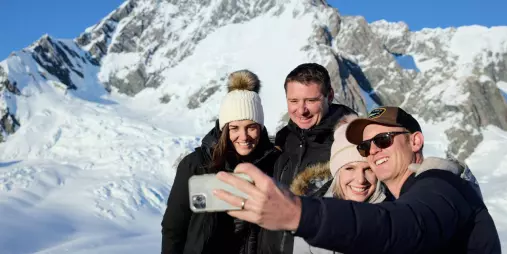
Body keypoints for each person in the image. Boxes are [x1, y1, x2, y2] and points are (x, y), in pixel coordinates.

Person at [214, 106, 501, 254]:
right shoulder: (415, 192)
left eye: (384, 139)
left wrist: (297, 213)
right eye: (365, 147)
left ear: (415, 141)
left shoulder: (439, 185)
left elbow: (403, 225)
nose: (373, 150)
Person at [160, 70, 280, 254]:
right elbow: (173, 229)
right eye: (234, 128)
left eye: (251, 127)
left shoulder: (274, 163)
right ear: (224, 129)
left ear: (261, 128)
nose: (244, 136)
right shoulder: (196, 165)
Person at [260, 63, 356, 254]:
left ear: (329, 96)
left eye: (311, 100)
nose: (301, 110)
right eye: (293, 101)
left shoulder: (349, 143)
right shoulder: (284, 139)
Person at [289, 114, 390, 254]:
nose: (360, 179)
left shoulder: (394, 214)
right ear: (337, 172)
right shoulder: (313, 215)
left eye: (368, 169)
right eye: (350, 168)